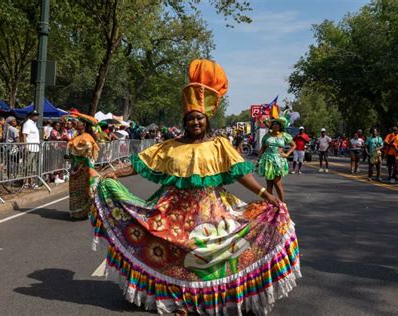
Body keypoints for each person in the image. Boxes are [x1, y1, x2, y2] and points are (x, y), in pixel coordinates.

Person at [92, 60, 301, 315]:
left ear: (207, 120)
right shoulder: (170, 146)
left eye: (199, 118)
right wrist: (113, 173)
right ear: (185, 121)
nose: (195, 123)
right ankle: (177, 301)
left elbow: (240, 175)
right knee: (176, 257)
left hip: (212, 210)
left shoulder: (220, 145)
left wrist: (265, 194)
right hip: (173, 210)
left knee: (208, 256)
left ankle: (208, 301)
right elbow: (139, 164)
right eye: (190, 119)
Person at [67, 115, 99, 219]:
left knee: (85, 189)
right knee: (75, 189)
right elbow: (71, 152)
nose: (76, 124)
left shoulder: (87, 137)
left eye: (79, 122)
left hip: (85, 166)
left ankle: (85, 212)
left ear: (84, 125)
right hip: (75, 166)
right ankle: (76, 212)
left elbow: (89, 151)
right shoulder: (75, 137)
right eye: (76, 122)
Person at [258, 117, 296, 201]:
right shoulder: (267, 136)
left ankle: (282, 204)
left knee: (277, 183)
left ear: (280, 126)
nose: (275, 126)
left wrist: (287, 154)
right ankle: (270, 204)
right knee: (269, 184)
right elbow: (263, 148)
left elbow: (294, 145)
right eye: (274, 124)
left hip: (278, 161)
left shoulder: (284, 135)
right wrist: (258, 160)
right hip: (268, 160)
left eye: (277, 124)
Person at [21, 110, 40, 188]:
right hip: (30, 148)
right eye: (34, 115)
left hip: (35, 148)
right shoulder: (27, 123)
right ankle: (25, 183)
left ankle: (30, 183)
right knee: (27, 166)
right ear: (30, 116)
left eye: (36, 115)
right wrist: (26, 147)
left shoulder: (33, 124)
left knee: (32, 167)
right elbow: (24, 135)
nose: (36, 116)